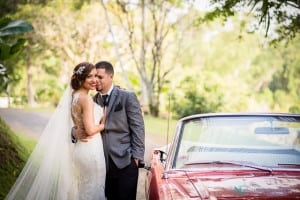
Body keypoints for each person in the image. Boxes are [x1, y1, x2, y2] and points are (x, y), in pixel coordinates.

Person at [5, 62, 106, 200]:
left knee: (85, 188)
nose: (94, 80)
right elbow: (89, 129)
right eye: (90, 77)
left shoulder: (74, 95)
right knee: (93, 189)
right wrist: (103, 124)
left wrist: (76, 131)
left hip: (80, 149)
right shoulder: (86, 99)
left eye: (95, 76)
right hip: (90, 150)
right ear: (80, 79)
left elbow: (77, 124)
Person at [75, 61, 145, 200]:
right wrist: (74, 133)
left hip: (126, 160)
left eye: (100, 77)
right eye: (94, 77)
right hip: (101, 163)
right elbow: (79, 122)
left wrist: (136, 157)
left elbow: (138, 127)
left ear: (111, 76)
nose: (96, 81)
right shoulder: (91, 101)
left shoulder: (127, 96)